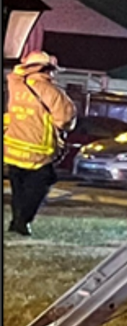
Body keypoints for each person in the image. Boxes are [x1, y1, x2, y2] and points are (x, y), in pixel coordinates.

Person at [6, 49, 77, 235]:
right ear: (45, 69)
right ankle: (22, 222)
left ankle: (16, 222)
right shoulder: (50, 92)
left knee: (18, 189)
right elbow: (65, 119)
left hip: (12, 148)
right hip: (38, 151)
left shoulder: (15, 85)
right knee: (39, 186)